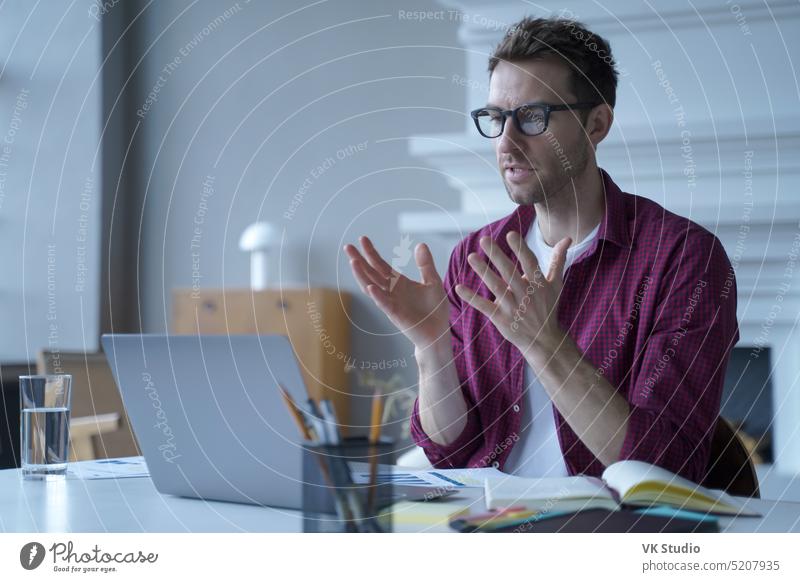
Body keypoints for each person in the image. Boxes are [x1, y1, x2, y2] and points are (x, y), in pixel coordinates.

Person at [344, 16, 738, 482]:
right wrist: (431, 347)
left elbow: (665, 466)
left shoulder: (684, 259)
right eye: (496, 118)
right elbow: (450, 451)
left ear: (597, 123)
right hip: (486, 526)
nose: (507, 143)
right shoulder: (477, 257)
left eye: (533, 117)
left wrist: (546, 345)